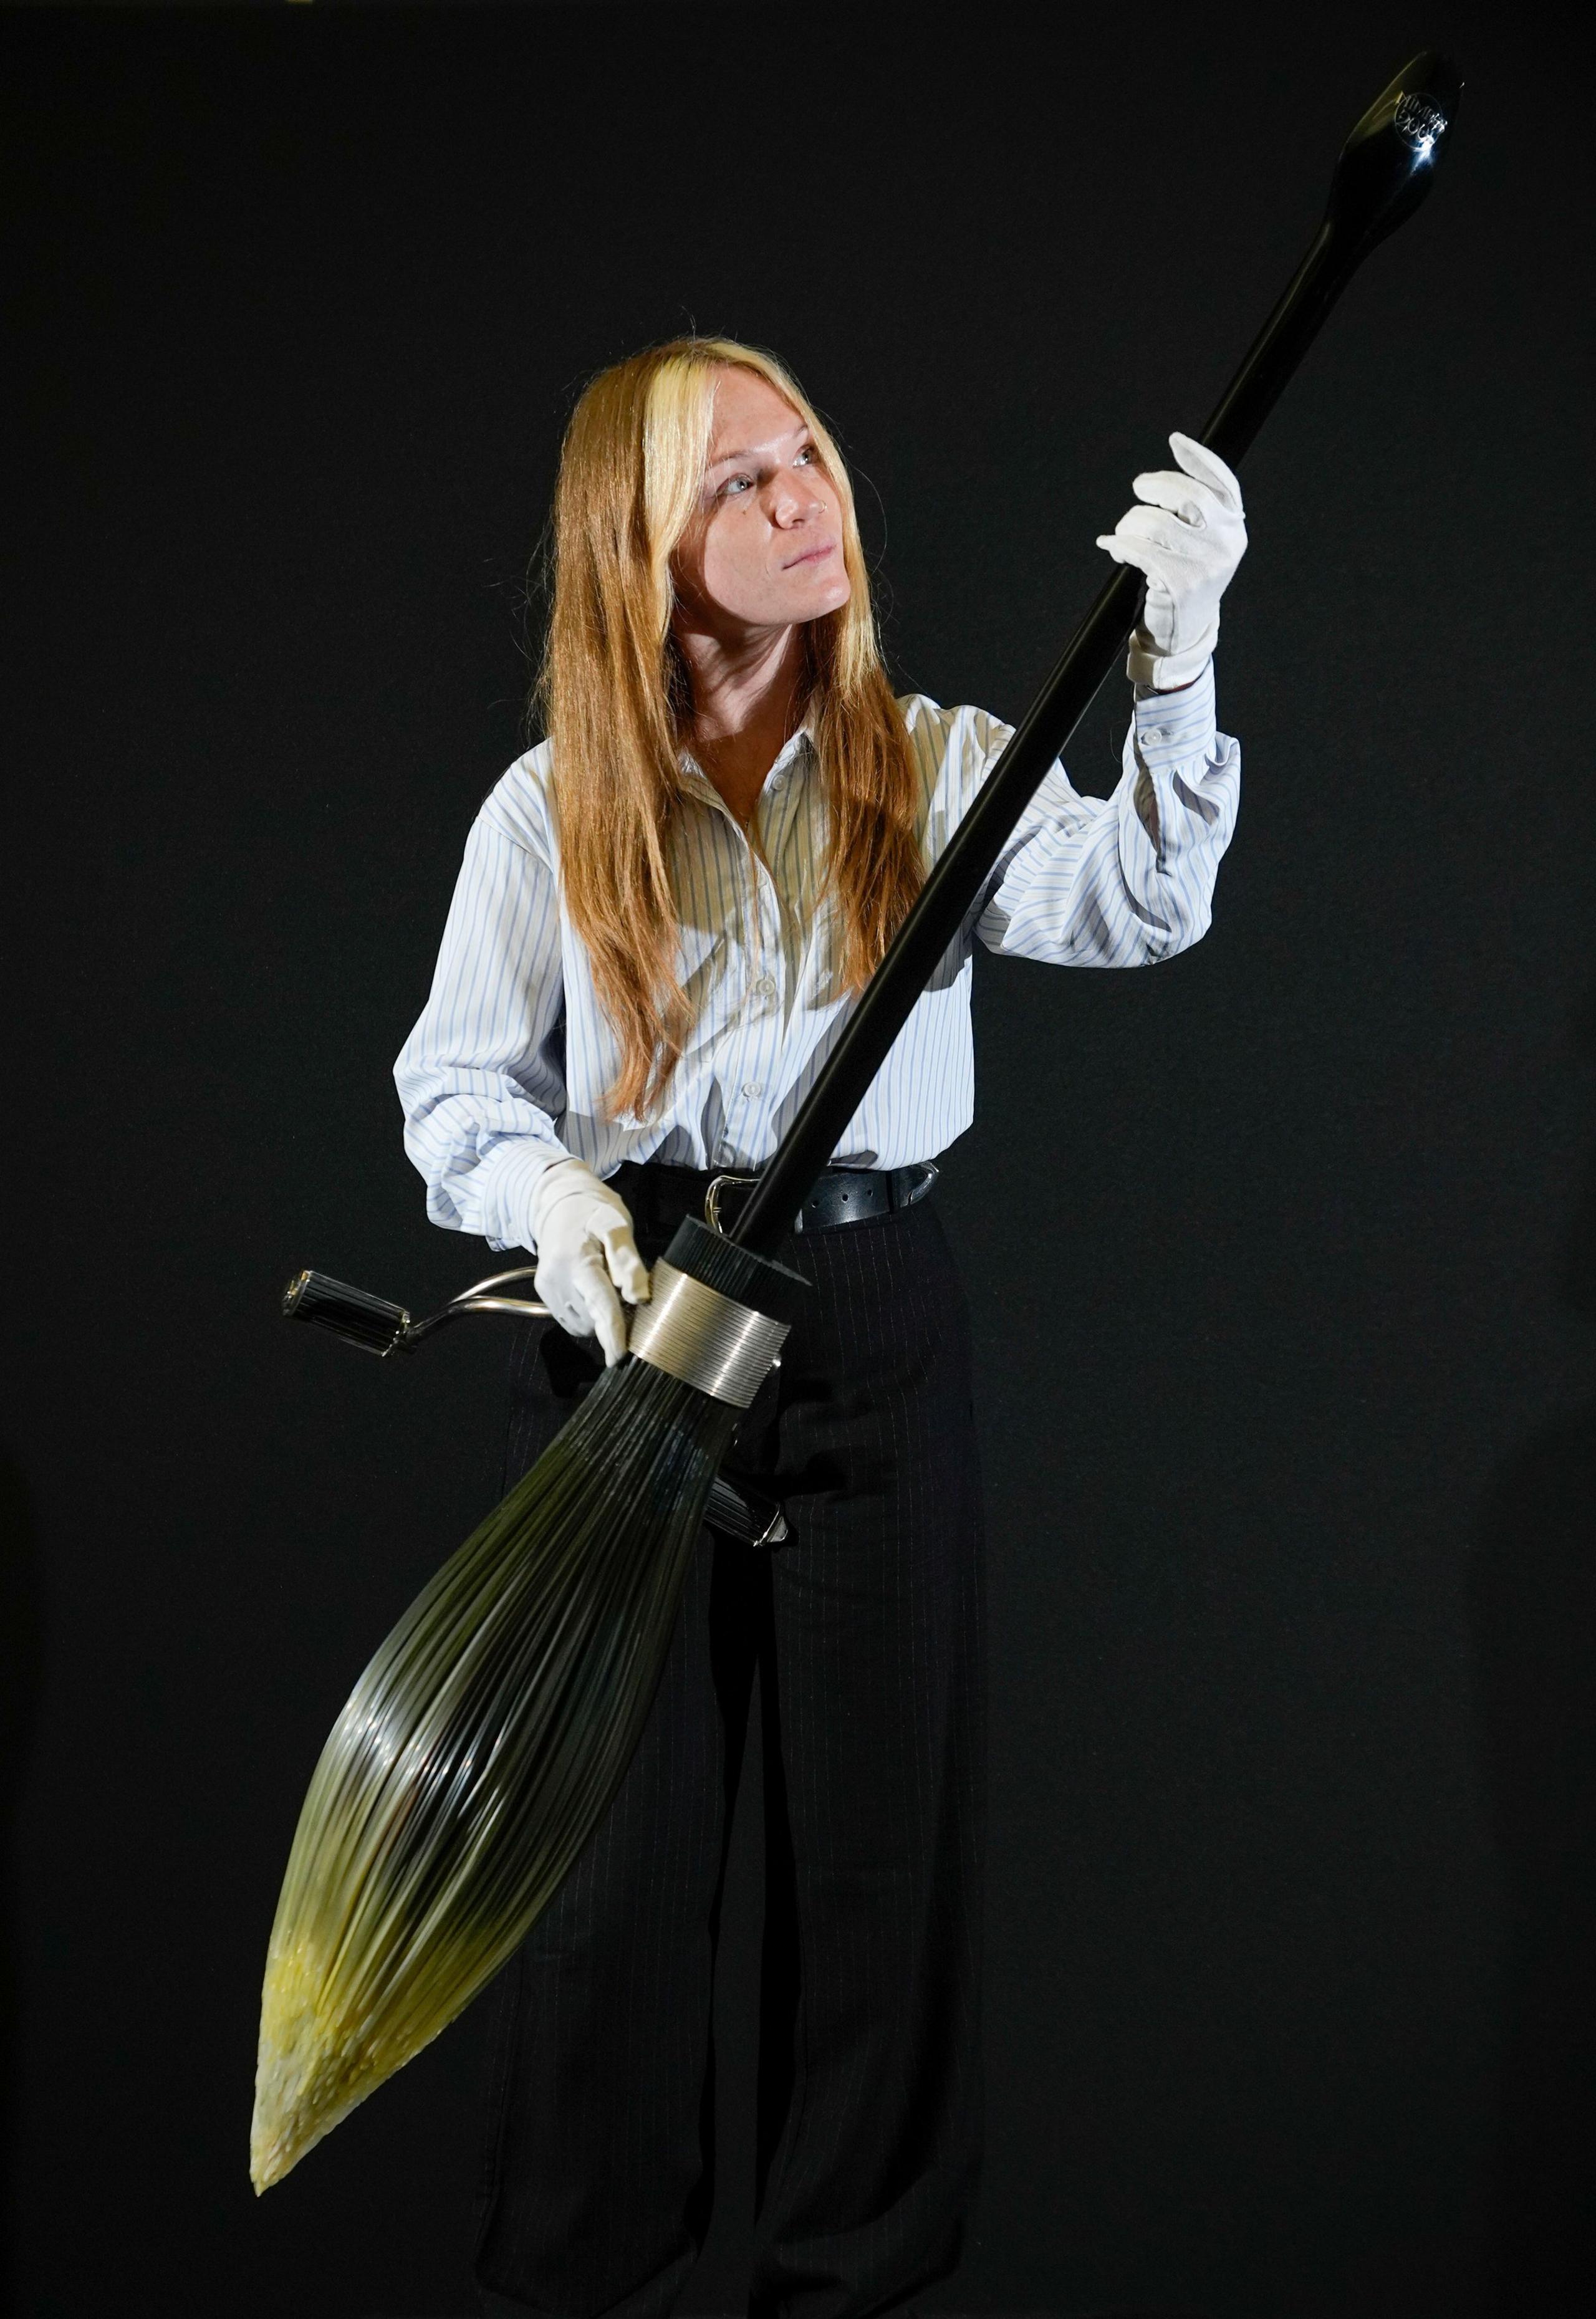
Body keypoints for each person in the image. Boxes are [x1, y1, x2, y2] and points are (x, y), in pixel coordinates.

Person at [393, 336, 1245, 2319]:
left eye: (810, 456)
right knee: (596, 1899)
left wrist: (1180, 668)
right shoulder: (550, 813)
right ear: (638, 550)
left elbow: (1141, 905)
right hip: (631, 1346)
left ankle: (848, 2293)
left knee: (876, 1894)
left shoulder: (942, 762)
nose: (806, 500)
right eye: (739, 483)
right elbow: (457, 1094)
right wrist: (557, 1206)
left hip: (871, 1324)